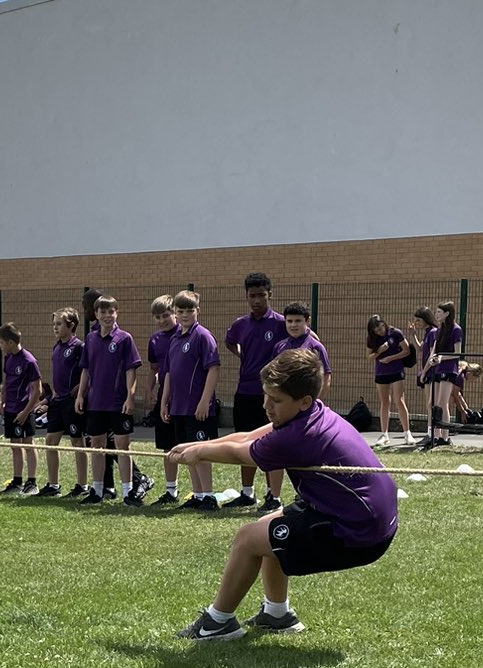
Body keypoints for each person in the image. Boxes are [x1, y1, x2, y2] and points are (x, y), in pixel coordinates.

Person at [167, 348, 398, 640]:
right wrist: (195, 446)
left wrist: (200, 452)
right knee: (269, 528)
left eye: (276, 400)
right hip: (356, 514)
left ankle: (218, 623)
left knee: (248, 539)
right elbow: (249, 437)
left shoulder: (299, 435)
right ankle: (277, 615)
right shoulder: (311, 412)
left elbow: (242, 453)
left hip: (359, 531)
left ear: (303, 401)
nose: (267, 406)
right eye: (267, 396)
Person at [224, 273, 288, 507]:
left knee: (273, 442)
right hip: (245, 391)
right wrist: (242, 355)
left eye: (261, 295)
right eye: (252, 296)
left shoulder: (281, 323)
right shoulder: (241, 324)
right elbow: (229, 341)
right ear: (246, 297)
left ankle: (274, 494)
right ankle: (247, 493)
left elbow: (307, 338)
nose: (257, 300)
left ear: (270, 294)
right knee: (245, 442)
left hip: (272, 394)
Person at [75, 295, 143, 504]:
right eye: (102, 312)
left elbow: (131, 371)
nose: (107, 316)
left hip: (117, 402)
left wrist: (130, 398)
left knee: (122, 446)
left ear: (117, 313)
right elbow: (86, 370)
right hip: (96, 403)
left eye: (110, 311)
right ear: (96, 315)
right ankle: (97, 491)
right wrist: (80, 395)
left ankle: (127, 491)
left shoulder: (124, 338)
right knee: (97, 445)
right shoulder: (91, 339)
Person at [163, 292, 222, 510]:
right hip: (179, 407)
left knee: (200, 452)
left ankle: (209, 496)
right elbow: (169, 372)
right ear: (175, 313)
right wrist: (164, 402)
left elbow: (213, 369)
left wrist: (204, 401)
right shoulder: (175, 338)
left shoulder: (203, 336)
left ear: (198, 310)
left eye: (190, 310)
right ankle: (197, 496)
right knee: (187, 454)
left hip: (197, 408)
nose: (185, 314)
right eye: (181, 311)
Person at [43, 308, 87, 498]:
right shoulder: (56, 347)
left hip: (71, 401)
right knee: (50, 441)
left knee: (77, 441)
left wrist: (79, 391)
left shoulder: (79, 347)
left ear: (71, 325)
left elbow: (87, 371)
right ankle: (53, 484)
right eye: (54, 324)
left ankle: (82, 485)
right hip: (57, 400)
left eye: (59, 324)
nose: (55, 328)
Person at [0, 323, 42, 492]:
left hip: (23, 409)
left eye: (1, 343)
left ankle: (32, 482)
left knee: (28, 444)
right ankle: (17, 481)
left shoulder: (29, 361)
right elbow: (6, 382)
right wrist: (2, 401)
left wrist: (26, 412)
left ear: (10, 342)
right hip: (10, 409)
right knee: (15, 445)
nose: (0, 347)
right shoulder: (8, 358)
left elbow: (37, 390)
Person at [146, 295, 180, 501]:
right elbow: (154, 368)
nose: (162, 320)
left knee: (189, 445)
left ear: (175, 313)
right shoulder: (155, 339)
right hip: (164, 399)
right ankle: (171, 490)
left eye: (166, 315)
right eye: (158, 317)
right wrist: (149, 390)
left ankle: (202, 493)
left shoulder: (184, 333)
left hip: (185, 399)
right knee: (168, 446)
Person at [418, 301, 461, 451]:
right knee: (432, 402)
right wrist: (426, 369)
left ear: (447, 313)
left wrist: (442, 358)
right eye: (436, 312)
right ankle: (435, 436)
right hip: (437, 369)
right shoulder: (439, 330)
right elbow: (434, 351)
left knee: (443, 403)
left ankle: (445, 437)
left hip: (449, 369)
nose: (436, 315)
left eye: (439, 312)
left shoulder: (456, 329)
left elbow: (457, 353)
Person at [367, 316, 416, 448]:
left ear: (384, 324)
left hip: (396, 370)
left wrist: (391, 358)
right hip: (381, 372)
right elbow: (369, 356)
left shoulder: (396, 333)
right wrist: (379, 351)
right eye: (376, 330)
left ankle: (407, 433)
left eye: (380, 327)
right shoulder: (373, 338)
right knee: (385, 402)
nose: (379, 331)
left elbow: (406, 351)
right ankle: (384, 434)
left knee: (399, 400)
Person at [277, 303, 329, 389]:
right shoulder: (279, 347)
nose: (293, 325)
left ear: (308, 321)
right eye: (289, 321)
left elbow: (326, 377)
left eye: (298, 321)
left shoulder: (316, 347)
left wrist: (315, 400)